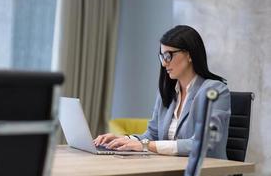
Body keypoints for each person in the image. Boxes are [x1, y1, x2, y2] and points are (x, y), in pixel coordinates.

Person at [93, 25, 231, 159]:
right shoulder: (167, 91)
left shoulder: (215, 91)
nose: (164, 63)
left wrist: (145, 146)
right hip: (171, 168)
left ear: (189, 55)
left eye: (168, 55)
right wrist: (123, 139)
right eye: (162, 57)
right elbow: (152, 135)